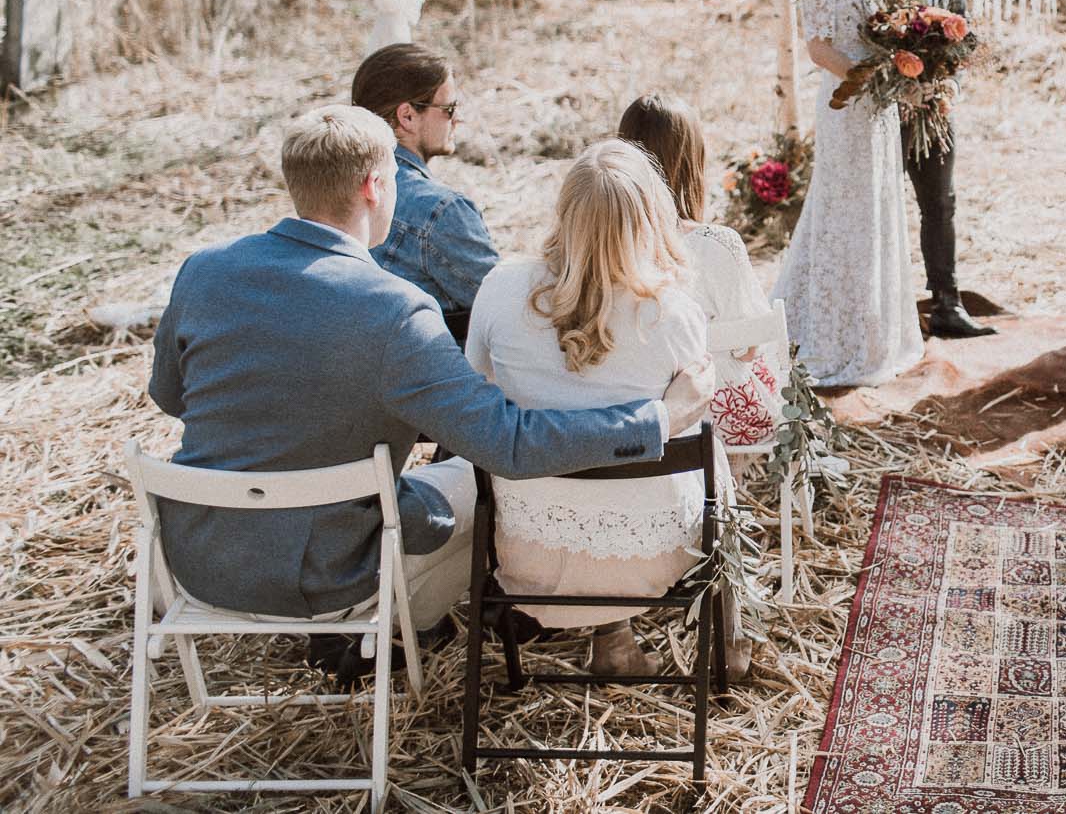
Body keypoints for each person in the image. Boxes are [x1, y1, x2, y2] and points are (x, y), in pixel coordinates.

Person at [147, 106, 681, 674]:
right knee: (479, 484)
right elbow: (507, 445)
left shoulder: (201, 271)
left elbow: (171, 397)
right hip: (332, 575)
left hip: (198, 560)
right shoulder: (394, 310)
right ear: (376, 186)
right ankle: (422, 631)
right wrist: (653, 421)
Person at [467, 140, 745, 677]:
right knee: (709, 454)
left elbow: (477, 396)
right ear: (650, 217)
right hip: (657, 556)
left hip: (528, 555)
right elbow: (696, 421)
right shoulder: (674, 312)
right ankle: (731, 644)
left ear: (563, 212)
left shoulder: (501, 290)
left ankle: (613, 640)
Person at [772, 0, 926, 388]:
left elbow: (874, 29)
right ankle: (831, 334)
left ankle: (874, 330)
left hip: (875, 105)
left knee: (875, 213)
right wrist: (869, 76)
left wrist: (900, 62)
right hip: (847, 101)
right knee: (844, 214)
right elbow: (818, 46)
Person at [618, 94, 784, 451]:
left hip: (632, 414)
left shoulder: (606, 244)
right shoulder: (715, 243)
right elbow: (748, 348)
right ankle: (727, 488)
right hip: (716, 419)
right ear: (692, 160)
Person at [873, 0, 992, 339]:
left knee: (940, 202)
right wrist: (898, 83)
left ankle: (946, 304)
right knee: (879, 203)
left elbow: (962, 19)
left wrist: (947, 81)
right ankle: (881, 307)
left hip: (935, 103)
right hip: (883, 103)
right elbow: (863, 26)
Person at [352, 42, 499, 340]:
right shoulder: (441, 211)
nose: (458, 119)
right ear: (407, 116)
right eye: (449, 109)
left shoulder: (332, 189)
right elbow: (509, 308)